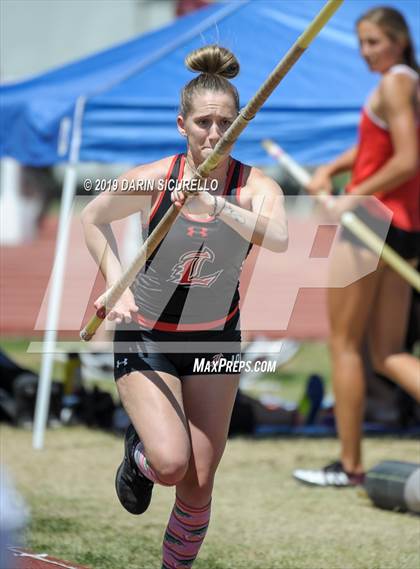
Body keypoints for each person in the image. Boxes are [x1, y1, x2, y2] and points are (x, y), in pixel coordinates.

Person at [82, 45, 288, 568]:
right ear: (182, 125)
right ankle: (139, 456)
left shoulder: (253, 186)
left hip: (215, 338)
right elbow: (93, 216)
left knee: (198, 481)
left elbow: (280, 238)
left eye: (226, 122)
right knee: (171, 463)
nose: (214, 134)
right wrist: (116, 282)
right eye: (203, 123)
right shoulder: (156, 177)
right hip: (148, 335)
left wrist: (215, 203)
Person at [293, 6, 420, 488]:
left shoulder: (394, 83)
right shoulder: (405, 83)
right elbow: (379, 147)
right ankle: (349, 463)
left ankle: (349, 467)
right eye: (361, 43)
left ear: (400, 40)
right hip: (404, 225)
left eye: (374, 42)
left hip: (371, 222)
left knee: (345, 345)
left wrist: (349, 198)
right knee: (387, 352)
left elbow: (407, 159)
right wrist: (332, 168)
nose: (366, 52)